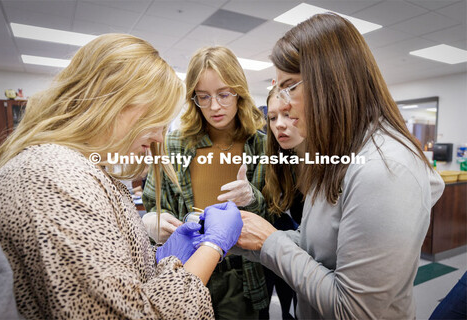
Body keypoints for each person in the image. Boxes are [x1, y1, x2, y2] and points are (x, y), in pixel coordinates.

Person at [0, 34, 244, 319]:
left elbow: (110, 286)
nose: (160, 136)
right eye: (156, 120)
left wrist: (155, 261)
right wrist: (211, 246)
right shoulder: (54, 179)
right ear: (112, 101)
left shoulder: (74, 168)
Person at [235, 13, 445, 319]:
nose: (282, 105)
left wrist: (271, 242)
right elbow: (319, 251)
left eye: (289, 86)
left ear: (331, 82)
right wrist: (243, 239)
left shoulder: (384, 170)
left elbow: (355, 310)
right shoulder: (337, 154)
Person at [142, 46, 269, 319]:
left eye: (224, 94)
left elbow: (275, 218)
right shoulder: (173, 145)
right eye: (203, 97)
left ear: (239, 93)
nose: (214, 106)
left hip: (241, 271)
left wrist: (252, 199)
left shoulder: (261, 144)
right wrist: (152, 219)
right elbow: (153, 203)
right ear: (193, 98)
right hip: (184, 266)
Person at [259, 87, 304, 319]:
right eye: (273, 118)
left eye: (287, 114)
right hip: (282, 249)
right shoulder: (279, 159)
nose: (279, 125)